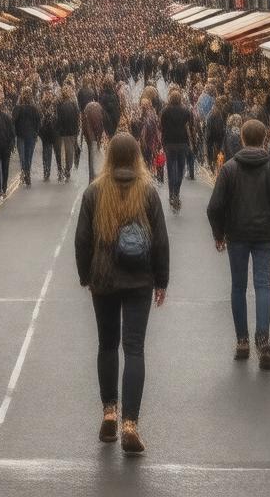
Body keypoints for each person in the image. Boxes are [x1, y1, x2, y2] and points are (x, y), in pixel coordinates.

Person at [74, 133, 169, 456]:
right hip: (139, 280)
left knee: (107, 345)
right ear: (137, 157)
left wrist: (86, 276)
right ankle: (131, 423)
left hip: (103, 279)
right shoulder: (148, 192)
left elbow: (82, 240)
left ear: (110, 157)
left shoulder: (94, 192)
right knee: (134, 349)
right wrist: (162, 281)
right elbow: (160, 241)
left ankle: (109, 412)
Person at [207, 119, 270, 369]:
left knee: (238, 287)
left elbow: (214, 207)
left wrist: (219, 234)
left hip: (237, 234)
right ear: (264, 138)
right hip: (265, 235)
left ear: (242, 139)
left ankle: (242, 341)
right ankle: (263, 340)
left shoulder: (230, 169)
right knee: (263, 285)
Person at [159, 87, 193, 213]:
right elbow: (190, 125)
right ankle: (177, 191)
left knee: (170, 166)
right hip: (182, 142)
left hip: (169, 142)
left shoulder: (165, 111)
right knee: (180, 167)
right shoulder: (186, 111)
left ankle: (171, 193)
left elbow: (161, 126)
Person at [13, 87, 41, 188]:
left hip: (20, 136)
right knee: (28, 156)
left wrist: (15, 133)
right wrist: (36, 133)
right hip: (31, 136)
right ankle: (27, 172)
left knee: (22, 157)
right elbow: (38, 121)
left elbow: (13, 121)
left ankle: (24, 172)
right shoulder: (35, 108)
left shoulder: (17, 108)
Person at [57, 86, 81, 183]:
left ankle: (63, 169)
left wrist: (59, 129)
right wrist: (77, 129)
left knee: (63, 152)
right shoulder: (74, 104)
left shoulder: (60, 105)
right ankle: (68, 169)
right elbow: (77, 118)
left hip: (63, 131)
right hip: (72, 131)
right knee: (70, 151)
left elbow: (58, 119)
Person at [38, 93, 62, 182]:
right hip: (55, 134)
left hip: (46, 135)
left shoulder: (41, 108)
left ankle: (47, 173)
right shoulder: (57, 106)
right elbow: (59, 120)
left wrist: (40, 134)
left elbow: (39, 123)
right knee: (57, 154)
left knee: (46, 155)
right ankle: (59, 172)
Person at [82, 98, 107, 182]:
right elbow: (102, 123)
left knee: (91, 157)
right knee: (98, 154)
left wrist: (86, 137)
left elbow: (84, 126)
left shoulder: (87, 110)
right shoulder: (99, 109)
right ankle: (98, 176)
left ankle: (91, 177)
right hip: (97, 137)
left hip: (90, 138)